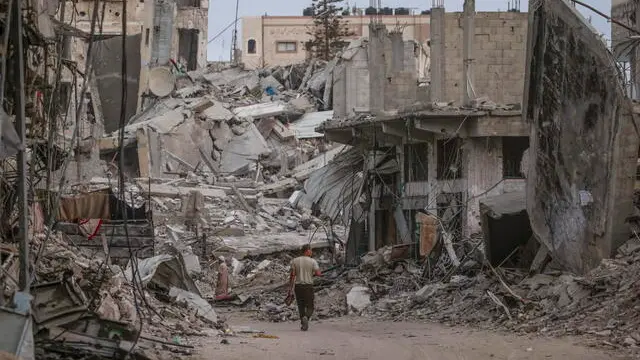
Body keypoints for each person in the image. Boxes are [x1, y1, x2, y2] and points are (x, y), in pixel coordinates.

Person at [287, 244, 321, 331]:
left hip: (298, 287)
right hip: (308, 286)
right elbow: (318, 273)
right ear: (307, 251)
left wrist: (290, 289)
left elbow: (292, 275)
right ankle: (306, 317)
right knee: (310, 306)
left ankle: (303, 323)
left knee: (301, 306)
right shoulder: (313, 261)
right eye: (311, 250)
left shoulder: (294, 261)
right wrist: (312, 273)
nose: (312, 252)